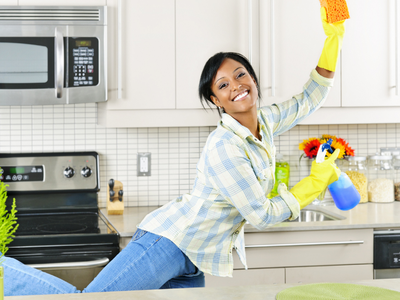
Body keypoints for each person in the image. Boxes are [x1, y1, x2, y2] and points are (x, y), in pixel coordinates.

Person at [3, 7, 345, 296]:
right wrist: (313, 185)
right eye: (223, 85)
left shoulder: (266, 121)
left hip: (196, 255)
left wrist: (333, 40)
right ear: (216, 100)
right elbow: (262, 215)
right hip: (168, 243)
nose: (236, 86)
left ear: (254, 80)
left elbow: (309, 98)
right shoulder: (225, 147)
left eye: (241, 75)